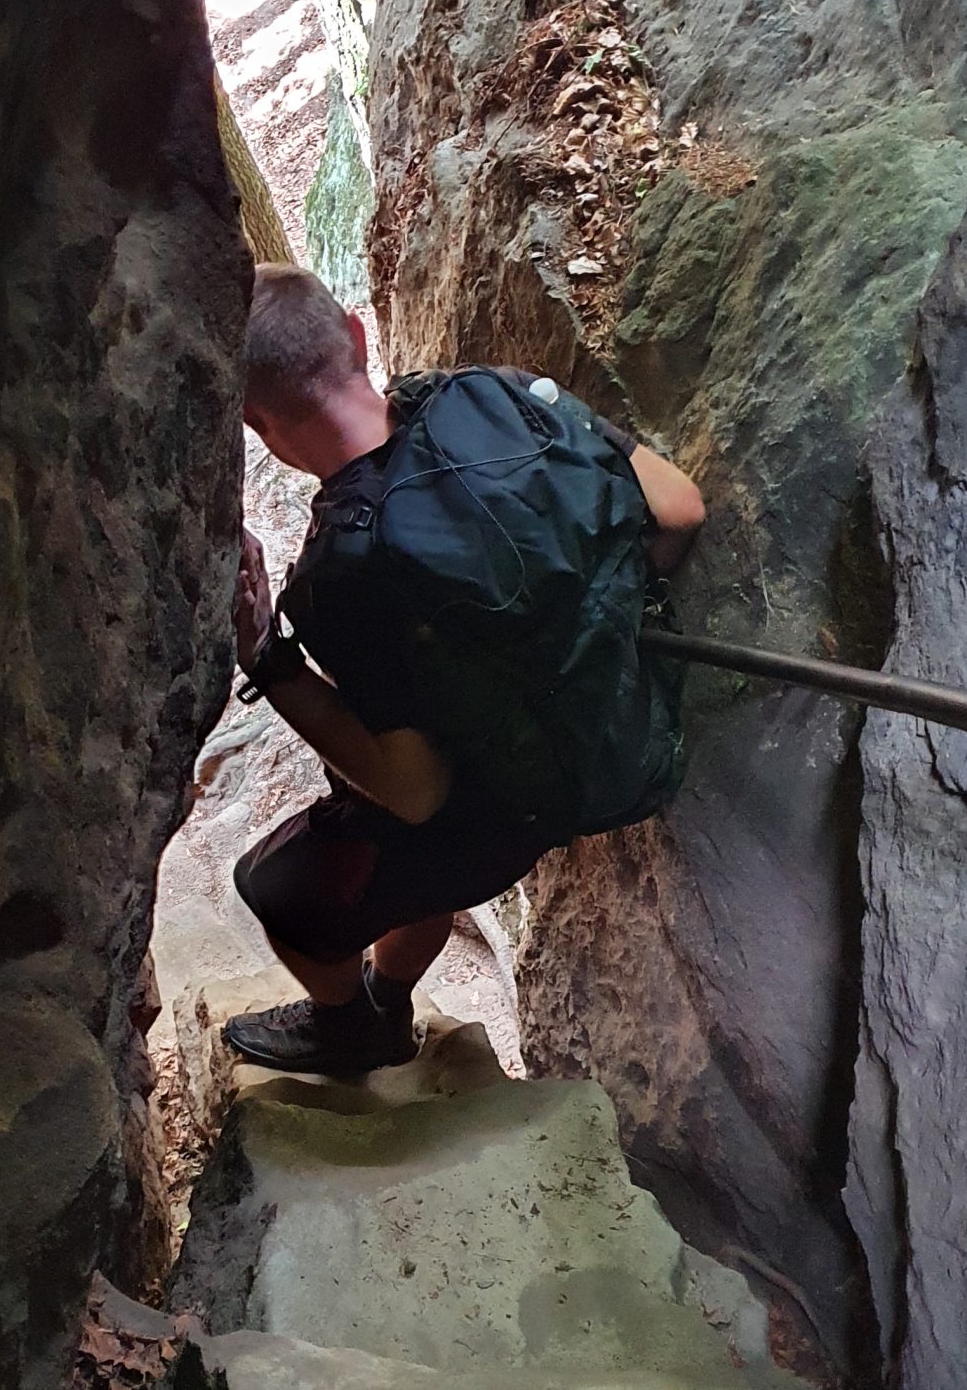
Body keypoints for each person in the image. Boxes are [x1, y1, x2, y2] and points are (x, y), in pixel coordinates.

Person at [225, 264, 705, 1077]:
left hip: (509, 809)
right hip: (621, 726)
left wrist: (269, 659)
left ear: (254, 423)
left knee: (275, 889)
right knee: (412, 847)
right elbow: (680, 510)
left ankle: (353, 1029)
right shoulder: (494, 394)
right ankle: (389, 993)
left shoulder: (342, 573)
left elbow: (414, 793)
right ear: (356, 335)